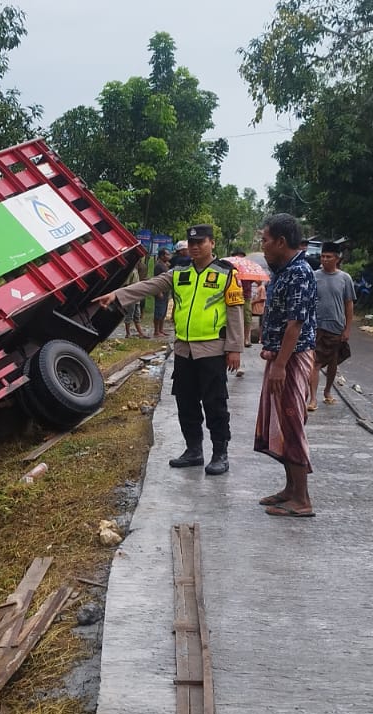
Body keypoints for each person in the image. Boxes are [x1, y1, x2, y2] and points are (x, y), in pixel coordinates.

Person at [95, 224, 244, 475]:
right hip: (184, 350)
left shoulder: (226, 273)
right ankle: (194, 450)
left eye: (201, 243)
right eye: (192, 243)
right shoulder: (179, 271)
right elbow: (150, 286)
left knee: (215, 404)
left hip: (212, 350)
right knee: (186, 403)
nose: (195, 247)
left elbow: (235, 311)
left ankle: (220, 453)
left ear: (212, 243)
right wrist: (118, 295)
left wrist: (234, 348)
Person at [254, 213, 318, 518]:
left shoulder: (300, 273)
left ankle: (302, 499)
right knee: (281, 423)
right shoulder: (282, 270)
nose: (262, 245)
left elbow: (295, 325)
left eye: (265, 240)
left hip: (291, 359)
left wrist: (280, 365)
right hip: (280, 357)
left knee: (292, 423)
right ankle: (290, 489)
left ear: (281, 241)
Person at [308, 242, 356, 410]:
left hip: (336, 326)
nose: (325, 259)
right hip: (315, 326)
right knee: (314, 362)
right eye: (323, 256)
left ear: (337, 259)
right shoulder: (313, 276)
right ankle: (312, 398)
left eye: (329, 257)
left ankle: (327, 391)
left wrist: (347, 328)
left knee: (333, 362)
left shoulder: (345, 279)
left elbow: (349, 304)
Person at [151, 248, 172, 338]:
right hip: (160, 291)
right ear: (162, 256)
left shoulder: (165, 265)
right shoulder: (158, 266)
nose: (168, 256)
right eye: (167, 255)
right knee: (159, 311)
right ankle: (156, 331)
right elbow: (157, 279)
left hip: (166, 291)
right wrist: (158, 291)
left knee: (163, 312)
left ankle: (161, 329)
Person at [121, 260, 144, 338]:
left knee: (137, 315)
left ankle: (141, 333)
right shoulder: (132, 272)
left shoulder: (136, 271)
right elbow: (126, 284)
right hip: (131, 296)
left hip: (137, 297)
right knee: (130, 315)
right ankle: (128, 333)